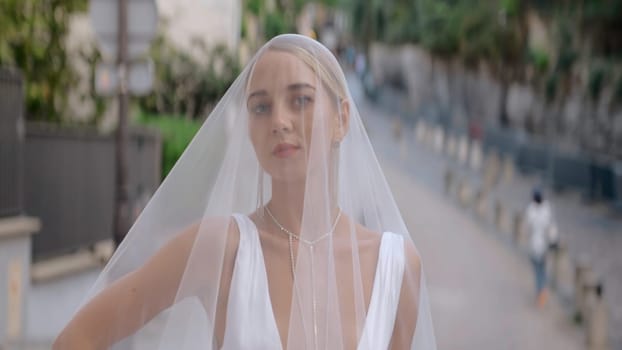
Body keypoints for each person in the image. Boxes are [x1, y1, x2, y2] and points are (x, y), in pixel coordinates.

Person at [53, 34, 436, 350]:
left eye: (300, 100)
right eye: (260, 107)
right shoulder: (221, 249)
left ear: (342, 119)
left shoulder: (397, 267)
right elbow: (79, 337)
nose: (279, 121)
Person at [525, 188, 558, 308]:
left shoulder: (531, 210)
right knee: (542, 269)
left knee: (538, 270)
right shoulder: (547, 210)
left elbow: (528, 227)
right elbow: (552, 228)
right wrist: (553, 242)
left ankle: (540, 291)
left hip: (536, 245)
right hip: (543, 245)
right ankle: (542, 290)